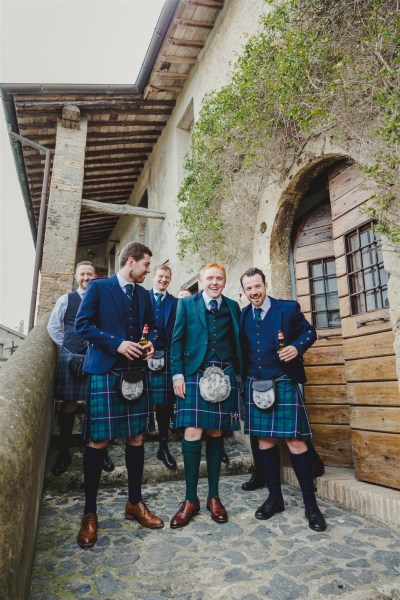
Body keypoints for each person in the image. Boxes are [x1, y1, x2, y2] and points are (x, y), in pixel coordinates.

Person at [74, 242, 164, 548]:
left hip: (135, 373)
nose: (149, 270)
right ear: (131, 261)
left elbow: (151, 327)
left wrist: (149, 342)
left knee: (137, 437)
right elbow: (82, 325)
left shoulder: (143, 294)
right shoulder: (99, 288)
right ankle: (89, 513)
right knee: (97, 440)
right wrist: (116, 343)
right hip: (105, 371)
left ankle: (134, 503)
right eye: (146, 264)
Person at [240, 267, 326, 532]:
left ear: (265, 285)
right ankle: (274, 498)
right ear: (244, 292)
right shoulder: (242, 316)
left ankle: (311, 506)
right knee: (265, 441)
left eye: (257, 286)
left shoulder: (287, 309)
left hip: (283, 381)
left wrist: (296, 347)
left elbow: (310, 332)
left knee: (295, 441)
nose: (254, 292)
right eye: (249, 289)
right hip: (256, 384)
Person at [170, 263, 242, 528]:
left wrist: (238, 374)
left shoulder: (233, 307)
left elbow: (237, 342)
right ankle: (190, 499)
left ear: (224, 281)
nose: (214, 282)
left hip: (223, 375)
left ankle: (214, 496)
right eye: (209, 278)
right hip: (193, 372)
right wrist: (177, 375)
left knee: (215, 433)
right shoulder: (187, 305)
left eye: (219, 278)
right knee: (192, 432)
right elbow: (176, 341)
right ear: (201, 281)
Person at [47, 261, 114, 476]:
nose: (86, 277)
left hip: (97, 358)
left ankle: (100, 451)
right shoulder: (66, 299)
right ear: (76, 277)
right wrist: (67, 347)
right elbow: (53, 326)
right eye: (82, 274)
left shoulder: (101, 300)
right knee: (69, 404)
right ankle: (64, 452)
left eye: (89, 274)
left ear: (95, 276)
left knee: (98, 405)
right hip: (72, 356)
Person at [147, 265, 178, 470]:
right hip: (143, 355)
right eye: (160, 276)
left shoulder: (175, 302)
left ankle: (163, 446)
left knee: (165, 404)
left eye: (167, 277)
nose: (163, 280)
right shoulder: (142, 297)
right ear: (154, 277)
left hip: (166, 355)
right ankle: (136, 443)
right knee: (140, 400)